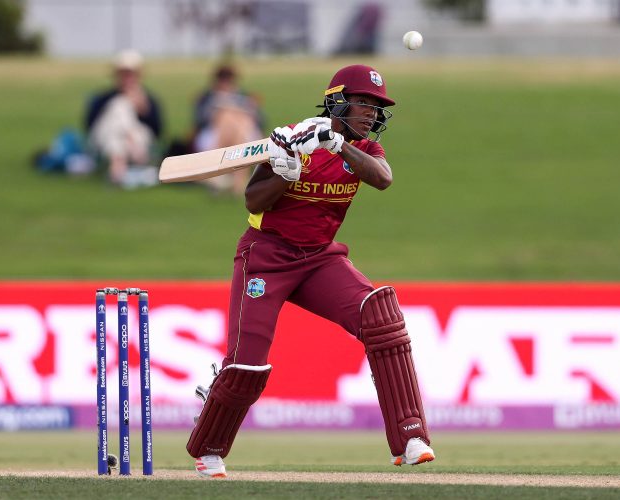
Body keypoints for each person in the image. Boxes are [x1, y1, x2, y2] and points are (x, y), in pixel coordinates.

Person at [186, 64, 434, 478]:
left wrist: (337, 146)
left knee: (380, 315)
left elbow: (383, 179)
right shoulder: (292, 138)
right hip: (266, 254)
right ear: (338, 101)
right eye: (365, 104)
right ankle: (208, 447)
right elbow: (253, 201)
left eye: (377, 107)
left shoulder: (364, 151)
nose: (372, 114)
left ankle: (410, 437)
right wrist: (285, 171)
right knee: (247, 363)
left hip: (320, 259)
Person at [85, 49, 164, 188]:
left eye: (131, 74)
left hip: (134, 141)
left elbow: (157, 131)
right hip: (115, 141)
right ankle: (133, 161)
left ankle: (117, 171)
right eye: (124, 74)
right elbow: (91, 125)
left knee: (117, 139)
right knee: (120, 106)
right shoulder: (104, 97)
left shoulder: (148, 100)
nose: (127, 78)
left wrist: (144, 111)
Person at [191, 64, 264, 195]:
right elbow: (199, 121)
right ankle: (239, 182)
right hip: (214, 136)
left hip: (243, 135)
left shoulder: (244, 96)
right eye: (222, 78)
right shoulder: (207, 97)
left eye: (229, 79)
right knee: (226, 116)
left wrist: (248, 107)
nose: (225, 82)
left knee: (235, 119)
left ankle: (219, 177)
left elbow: (260, 122)